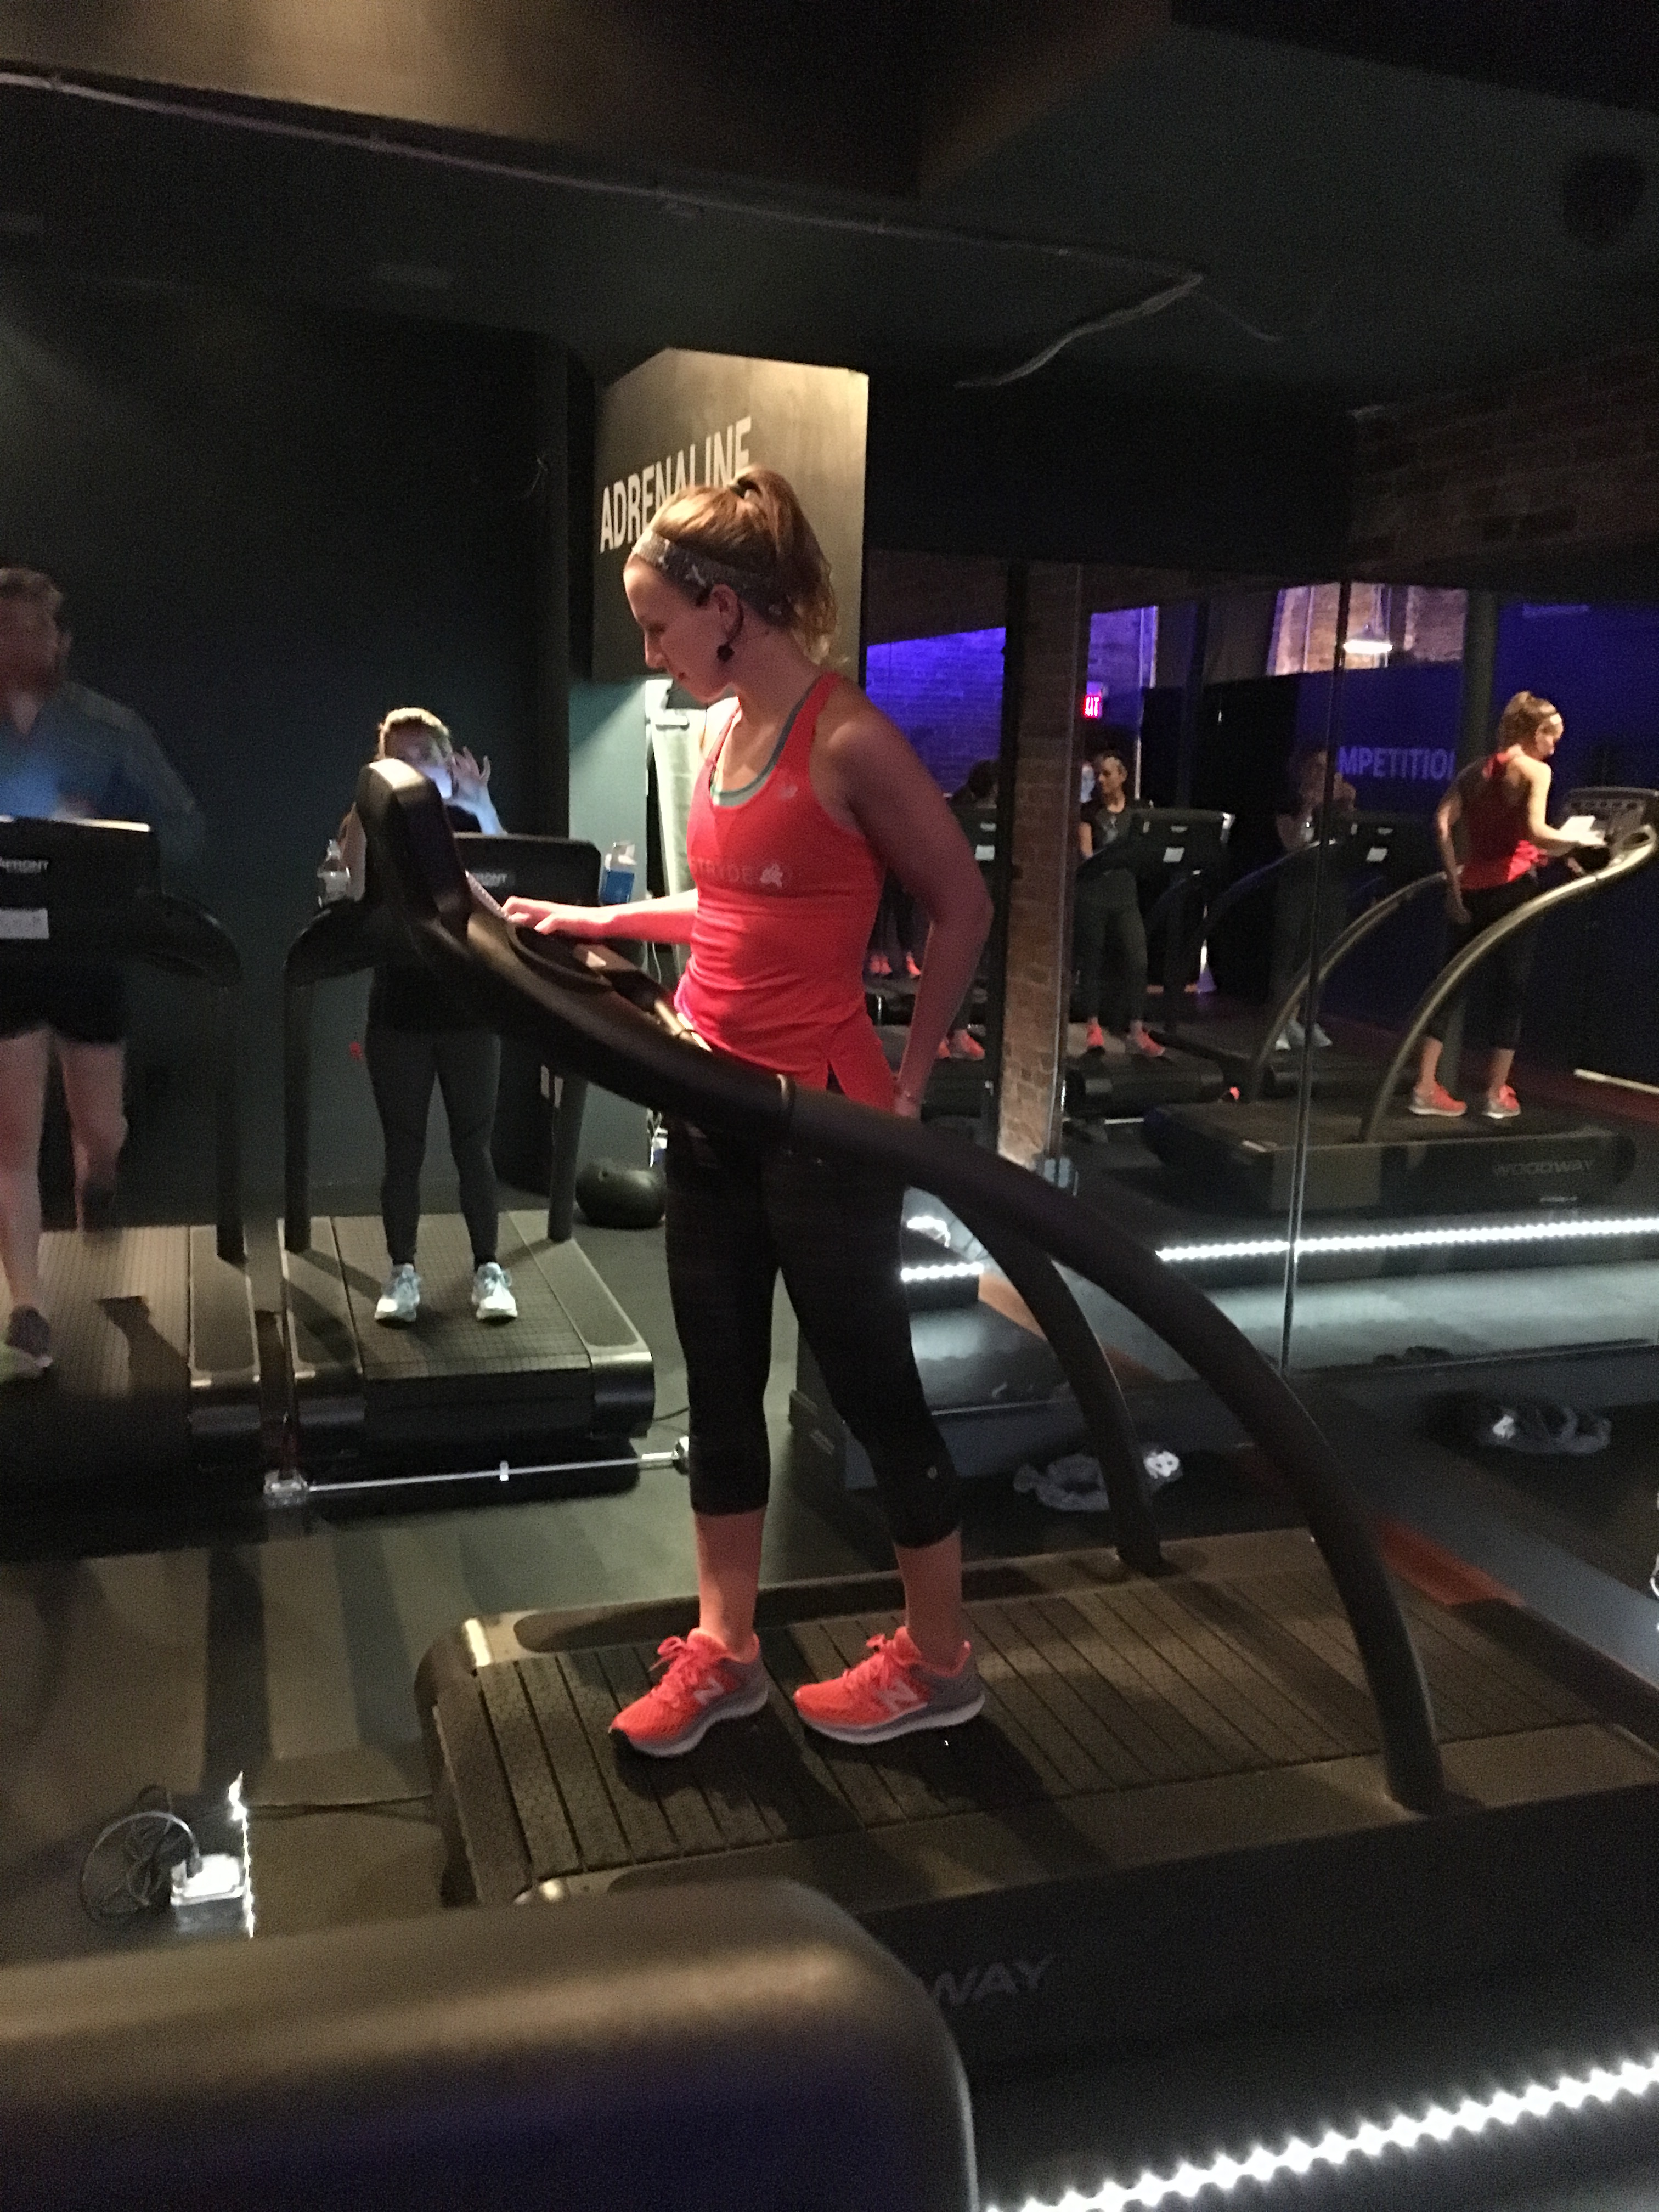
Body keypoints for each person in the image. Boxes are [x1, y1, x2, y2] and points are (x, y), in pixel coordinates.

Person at [505, 468, 992, 1753]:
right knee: (718, 1390)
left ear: (726, 608)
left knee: (873, 1391)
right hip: (712, 1105)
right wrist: (600, 918)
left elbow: (963, 905)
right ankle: (725, 1653)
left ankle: (940, 1660)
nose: (651, 652)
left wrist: (912, 1084)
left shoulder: (850, 740)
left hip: (821, 1121)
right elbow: (729, 909)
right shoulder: (721, 735)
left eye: (659, 624)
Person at [0, 567, 205, 1375]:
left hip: (88, 950)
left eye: (30, 630)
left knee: (101, 1133)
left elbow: (184, 830)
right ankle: (27, 1306)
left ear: (61, 640)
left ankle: (99, 1190)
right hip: (5, 954)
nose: (16, 645)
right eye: (3, 631)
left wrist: (102, 832)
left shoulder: (108, 728)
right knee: (12, 1139)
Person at [337, 708, 517, 1326]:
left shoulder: (469, 818)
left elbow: (506, 893)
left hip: (470, 1010)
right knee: (404, 1149)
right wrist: (367, 808)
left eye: (425, 756)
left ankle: (489, 1270)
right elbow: (352, 890)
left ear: (448, 760)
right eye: (399, 758)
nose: (413, 767)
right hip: (400, 1012)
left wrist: (481, 802)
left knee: (474, 1146)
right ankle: (402, 1272)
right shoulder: (370, 825)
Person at [1410, 691, 1600, 1121]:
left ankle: (1423, 1086)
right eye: (1552, 738)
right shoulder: (1535, 771)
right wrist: (1579, 841)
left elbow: (1441, 824)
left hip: (1472, 889)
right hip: (1514, 891)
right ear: (1534, 733)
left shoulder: (1475, 772)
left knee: (1448, 989)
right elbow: (1535, 832)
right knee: (1510, 992)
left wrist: (1454, 887)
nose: (1554, 749)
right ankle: (1496, 1093)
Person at [1074, 744, 1163, 1058]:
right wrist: (1107, 858)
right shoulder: (1089, 811)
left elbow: (1148, 849)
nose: (1101, 780)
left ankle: (1137, 1028)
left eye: (1107, 774)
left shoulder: (1138, 811)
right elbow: (1086, 851)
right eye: (1099, 774)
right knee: (1092, 959)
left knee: (1138, 958)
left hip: (1125, 895)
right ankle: (1093, 1026)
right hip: (1094, 894)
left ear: (1122, 776)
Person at [1268, 745, 1357, 1052]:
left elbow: (1351, 840)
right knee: (1289, 953)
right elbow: (1295, 843)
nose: (1324, 774)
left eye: (1329, 768)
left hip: (1331, 883)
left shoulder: (1338, 801)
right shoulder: (1290, 801)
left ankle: (1307, 1019)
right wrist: (1308, 808)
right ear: (1304, 769)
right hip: (1298, 884)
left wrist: (1349, 805)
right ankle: (1280, 1022)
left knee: (1321, 954)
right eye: (1318, 767)